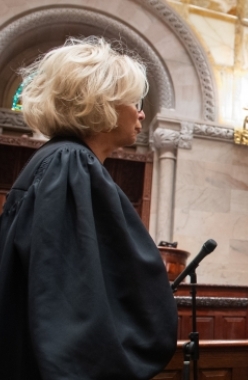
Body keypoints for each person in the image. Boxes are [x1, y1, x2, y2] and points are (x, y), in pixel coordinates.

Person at [0, 37, 177, 379]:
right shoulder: (70, 164)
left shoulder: (55, 160)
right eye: (133, 101)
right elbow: (71, 308)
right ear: (102, 103)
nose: (141, 112)